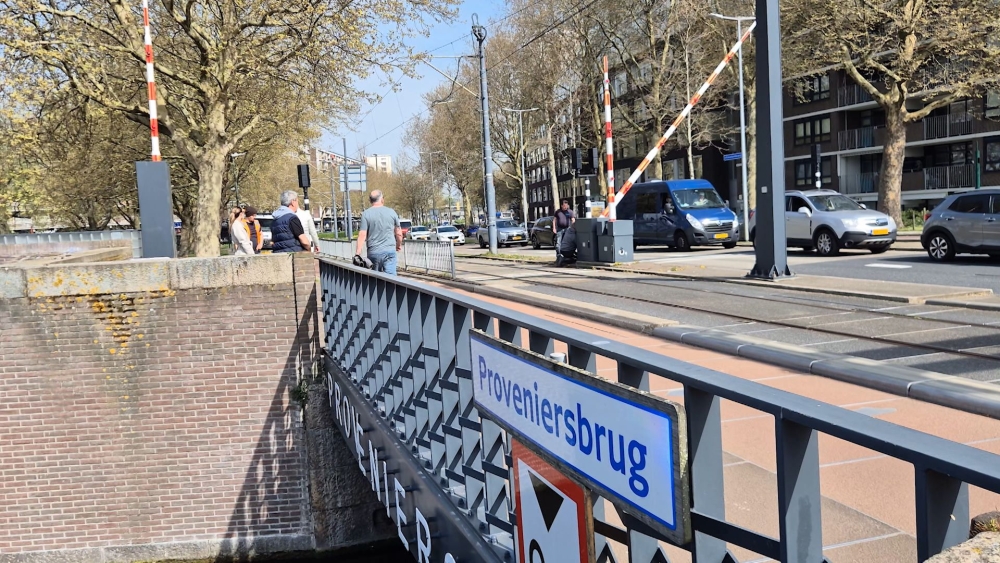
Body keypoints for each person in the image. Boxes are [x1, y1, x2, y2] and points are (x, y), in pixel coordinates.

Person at [356, 190, 402, 274]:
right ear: (382, 199)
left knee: (376, 278)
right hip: (389, 251)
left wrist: (358, 253)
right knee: (391, 279)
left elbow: (362, 235)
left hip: (374, 252)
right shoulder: (391, 212)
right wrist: (398, 245)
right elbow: (398, 233)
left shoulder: (366, 214)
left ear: (370, 201)